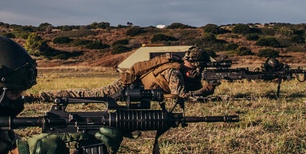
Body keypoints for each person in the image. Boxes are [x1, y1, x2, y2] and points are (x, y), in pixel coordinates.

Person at [31, 45, 218, 103]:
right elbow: (181, 97)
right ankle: (41, 96)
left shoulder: (179, 69)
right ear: (196, 64)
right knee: (86, 96)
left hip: (133, 88)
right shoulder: (174, 72)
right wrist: (207, 91)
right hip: (125, 87)